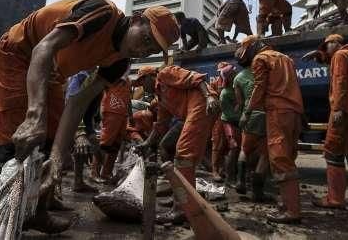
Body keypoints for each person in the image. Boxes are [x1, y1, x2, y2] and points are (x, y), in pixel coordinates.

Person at [0, 0, 179, 233]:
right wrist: (34, 114)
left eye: (150, 51)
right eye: (145, 39)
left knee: (50, 142)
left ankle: (34, 211)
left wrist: (56, 162)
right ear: (136, 19)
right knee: (14, 135)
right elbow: (43, 48)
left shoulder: (119, 63)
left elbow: (77, 103)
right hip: (19, 54)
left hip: (54, 73)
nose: (141, 50)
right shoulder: (102, 13)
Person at [137, 65, 221, 223]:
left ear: (149, 77)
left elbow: (196, 78)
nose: (142, 87)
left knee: (183, 155)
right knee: (174, 152)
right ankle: (181, 198)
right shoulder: (160, 97)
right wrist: (147, 143)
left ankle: (182, 209)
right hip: (193, 111)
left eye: (142, 82)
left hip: (202, 103)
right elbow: (161, 124)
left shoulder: (165, 73)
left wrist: (209, 96)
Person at [237, 35, 304, 224]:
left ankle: (291, 211)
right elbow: (294, 86)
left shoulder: (261, 58)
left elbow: (260, 87)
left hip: (278, 112)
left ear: (253, 47)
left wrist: (247, 112)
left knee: (279, 158)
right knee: (288, 157)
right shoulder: (286, 58)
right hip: (294, 111)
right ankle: (287, 204)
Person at [303, 34, 348, 210]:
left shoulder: (340, 56)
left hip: (344, 110)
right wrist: (319, 55)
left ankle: (335, 199)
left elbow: (340, 80)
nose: (326, 50)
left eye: (326, 47)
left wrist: (338, 107)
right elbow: (337, 65)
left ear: (334, 43)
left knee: (333, 152)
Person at [232, 63, 269, 202]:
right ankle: (257, 192)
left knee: (244, 149)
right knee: (265, 155)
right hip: (265, 114)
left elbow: (240, 102)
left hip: (249, 115)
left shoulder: (238, 78)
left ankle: (240, 181)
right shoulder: (262, 73)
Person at [98, 74, 132, 181]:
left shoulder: (127, 80)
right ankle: (95, 172)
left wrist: (130, 114)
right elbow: (101, 89)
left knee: (116, 144)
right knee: (104, 143)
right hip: (111, 111)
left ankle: (106, 173)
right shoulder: (113, 73)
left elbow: (128, 98)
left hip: (123, 114)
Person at [218, 63, 241, 184]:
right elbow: (230, 114)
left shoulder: (233, 88)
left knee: (235, 149)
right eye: (234, 73)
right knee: (234, 148)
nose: (236, 73)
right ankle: (229, 178)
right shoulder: (225, 93)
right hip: (229, 123)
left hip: (235, 122)